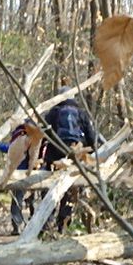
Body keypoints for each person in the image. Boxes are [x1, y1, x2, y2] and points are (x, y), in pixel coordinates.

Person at [42, 90, 103, 233]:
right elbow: (91, 137)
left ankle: (45, 222)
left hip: (54, 156)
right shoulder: (81, 113)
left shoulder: (53, 112)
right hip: (75, 155)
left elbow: (44, 134)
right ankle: (63, 224)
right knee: (71, 190)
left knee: (50, 188)